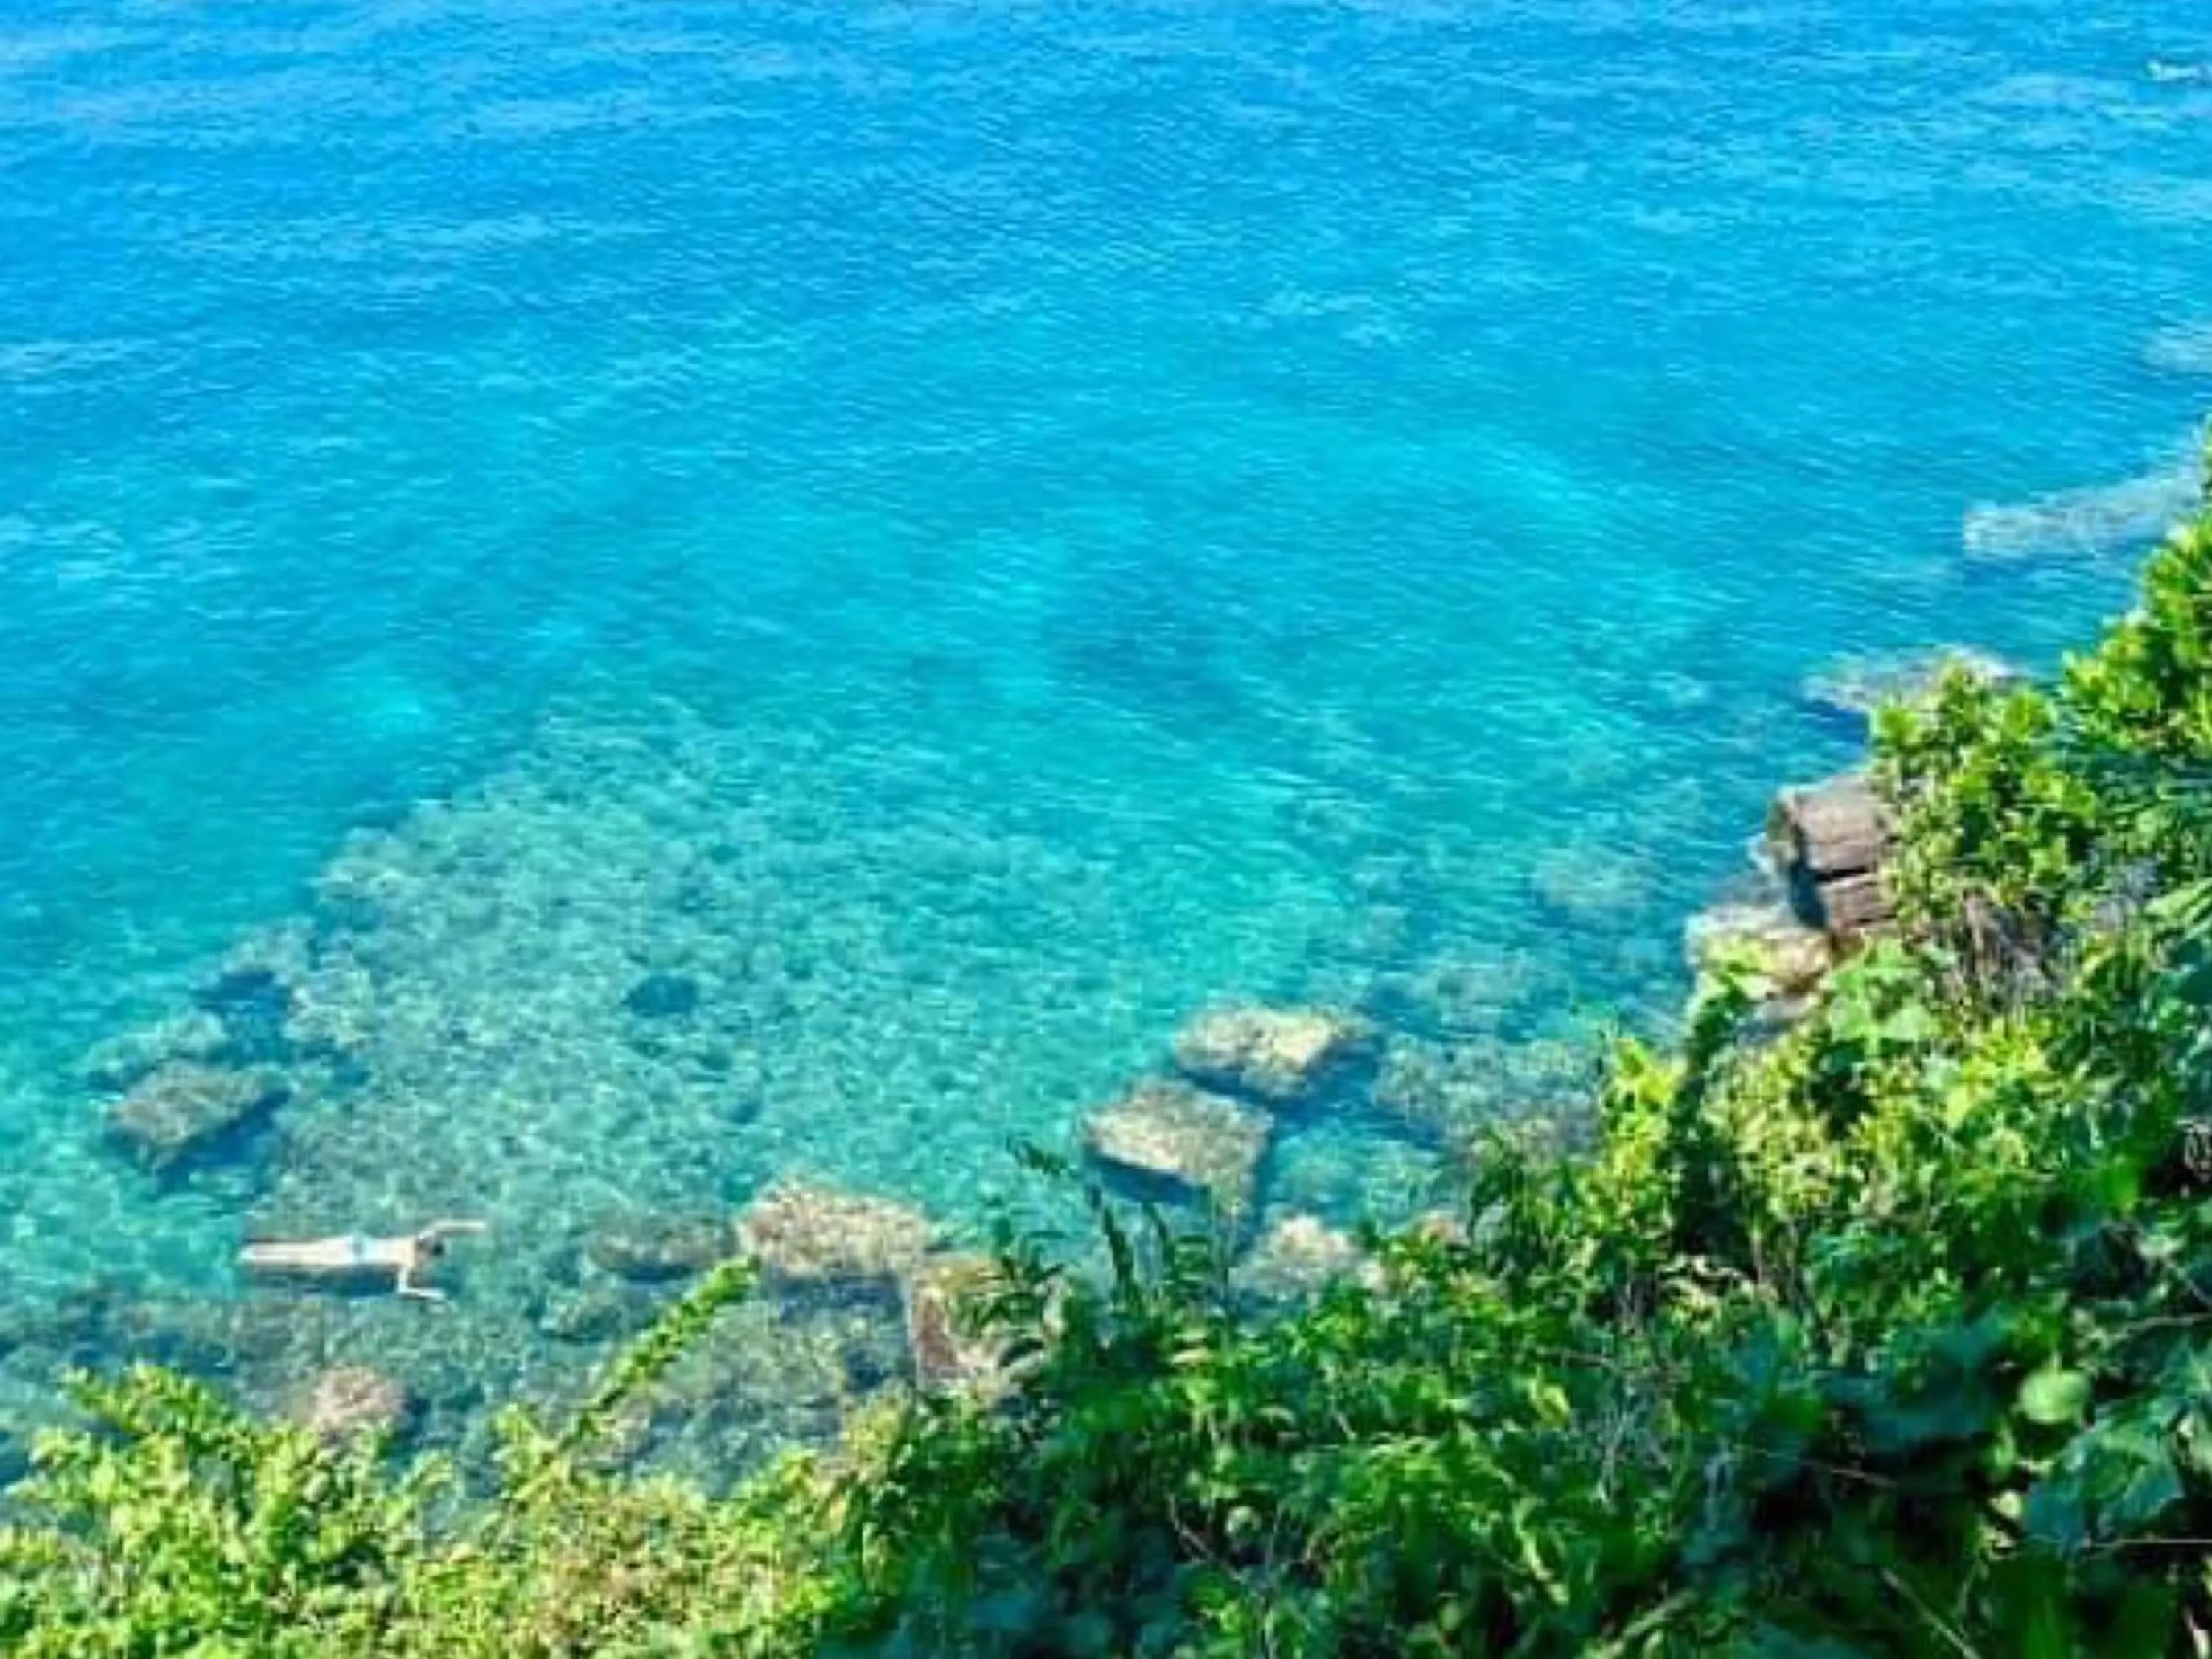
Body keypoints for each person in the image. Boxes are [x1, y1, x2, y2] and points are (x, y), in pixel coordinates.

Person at [240, 1220, 487, 1301]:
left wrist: (471, 1226)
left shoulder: (416, 1239)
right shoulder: (410, 1262)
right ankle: (252, 1260)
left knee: (303, 1249)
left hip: (354, 1242)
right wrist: (429, 1293)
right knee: (301, 1259)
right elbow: (402, 1289)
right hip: (352, 1257)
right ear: (428, 1254)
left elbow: (441, 1226)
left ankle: (253, 1250)